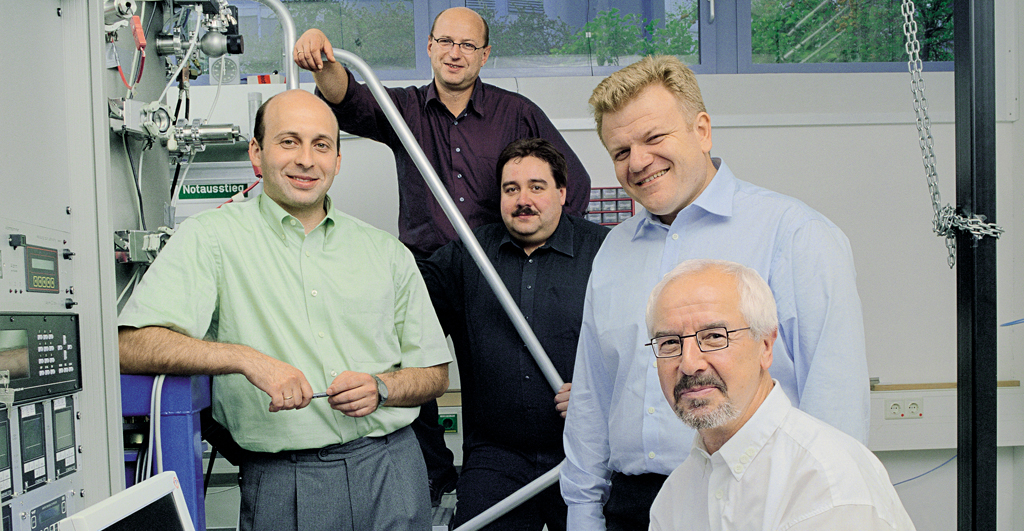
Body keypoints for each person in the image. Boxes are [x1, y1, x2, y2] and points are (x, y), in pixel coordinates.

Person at [294, 5, 593, 501]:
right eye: (446, 42)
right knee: (404, 365)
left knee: (494, 373)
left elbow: (567, 184)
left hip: (493, 268)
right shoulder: (404, 109)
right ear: (430, 47)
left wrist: (542, 250)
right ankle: (434, 478)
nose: (456, 53)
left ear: (484, 55)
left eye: (468, 45)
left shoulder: (514, 111)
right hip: (426, 270)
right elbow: (349, 98)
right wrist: (323, 59)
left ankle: (492, 469)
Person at [118, 89, 452, 530]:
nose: (306, 160)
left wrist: (382, 386)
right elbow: (130, 345)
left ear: (337, 159)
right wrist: (247, 360)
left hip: (391, 470)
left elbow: (434, 374)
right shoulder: (210, 239)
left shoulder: (386, 252)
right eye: (288, 141)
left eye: (321, 145)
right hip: (284, 478)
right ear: (257, 154)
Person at [561, 56, 870, 530]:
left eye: (654, 138)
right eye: (620, 151)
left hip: (759, 501)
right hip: (629, 506)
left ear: (702, 130)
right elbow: (592, 396)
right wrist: (583, 513)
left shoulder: (796, 235)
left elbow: (836, 397)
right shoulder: (612, 251)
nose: (638, 161)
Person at [419, 138, 609, 529]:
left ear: (561, 192)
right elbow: (404, 303)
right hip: (495, 456)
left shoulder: (606, 252)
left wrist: (604, 394)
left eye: (537, 187)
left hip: (584, 451)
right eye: (511, 189)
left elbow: (649, 346)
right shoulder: (467, 255)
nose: (524, 199)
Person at [645, 259, 915, 530]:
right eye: (669, 343)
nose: (690, 363)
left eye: (714, 336)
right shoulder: (677, 494)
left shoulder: (825, 482)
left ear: (765, 346)